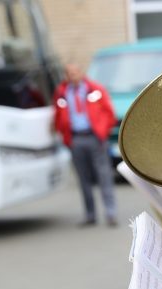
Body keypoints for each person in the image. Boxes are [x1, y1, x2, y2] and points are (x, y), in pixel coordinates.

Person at [53, 63, 117, 226]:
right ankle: (90, 214)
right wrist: (65, 135)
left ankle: (110, 212)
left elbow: (109, 113)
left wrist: (102, 132)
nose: (73, 75)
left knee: (104, 175)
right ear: (66, 75)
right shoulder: (62, 92)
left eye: (76, 71)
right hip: (76, 138)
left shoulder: (94, 89)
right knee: (83, 178)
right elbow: (58, 116)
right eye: (70, 73)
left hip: (94, 137)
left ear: (81, 72)